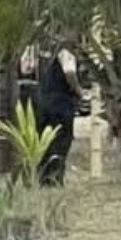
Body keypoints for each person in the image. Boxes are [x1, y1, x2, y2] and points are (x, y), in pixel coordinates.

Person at [35, 35, 85, 186]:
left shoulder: (43, 55)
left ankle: (43, 177)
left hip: (43, 101)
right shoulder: (66, 53)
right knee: (61, 140)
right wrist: (80, 92)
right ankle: (55, 178)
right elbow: (70, 75)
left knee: (45, 140)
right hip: (61, 103)